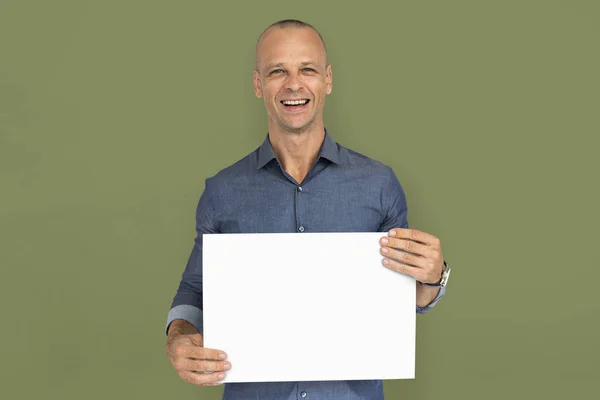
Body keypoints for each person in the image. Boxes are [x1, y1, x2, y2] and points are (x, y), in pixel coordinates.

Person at [165, 19, 450, 400]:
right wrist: (179, 338)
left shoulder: (379, 185)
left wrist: (434, 277)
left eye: (308, 69)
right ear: (257, 84)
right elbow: (196, 287)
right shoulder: (222, 191)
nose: (294, 84)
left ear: (328, 80)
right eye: (277, 71)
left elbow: (403, 297)